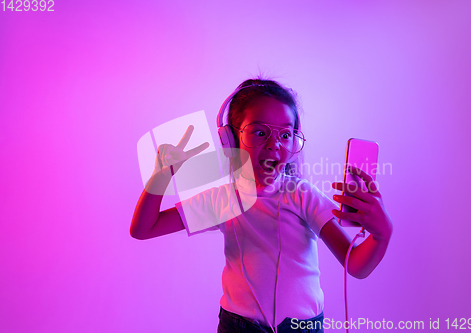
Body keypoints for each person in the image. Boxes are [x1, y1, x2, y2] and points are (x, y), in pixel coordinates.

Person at [130, 79, 393, 333]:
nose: (273, 144)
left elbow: (357, 265)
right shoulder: (222, 199)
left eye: (285, 134)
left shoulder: (302, 196)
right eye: (259, 132)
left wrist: (382, 234)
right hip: (238, 327)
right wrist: (162, 176)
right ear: (230, 140)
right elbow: (144, 228)